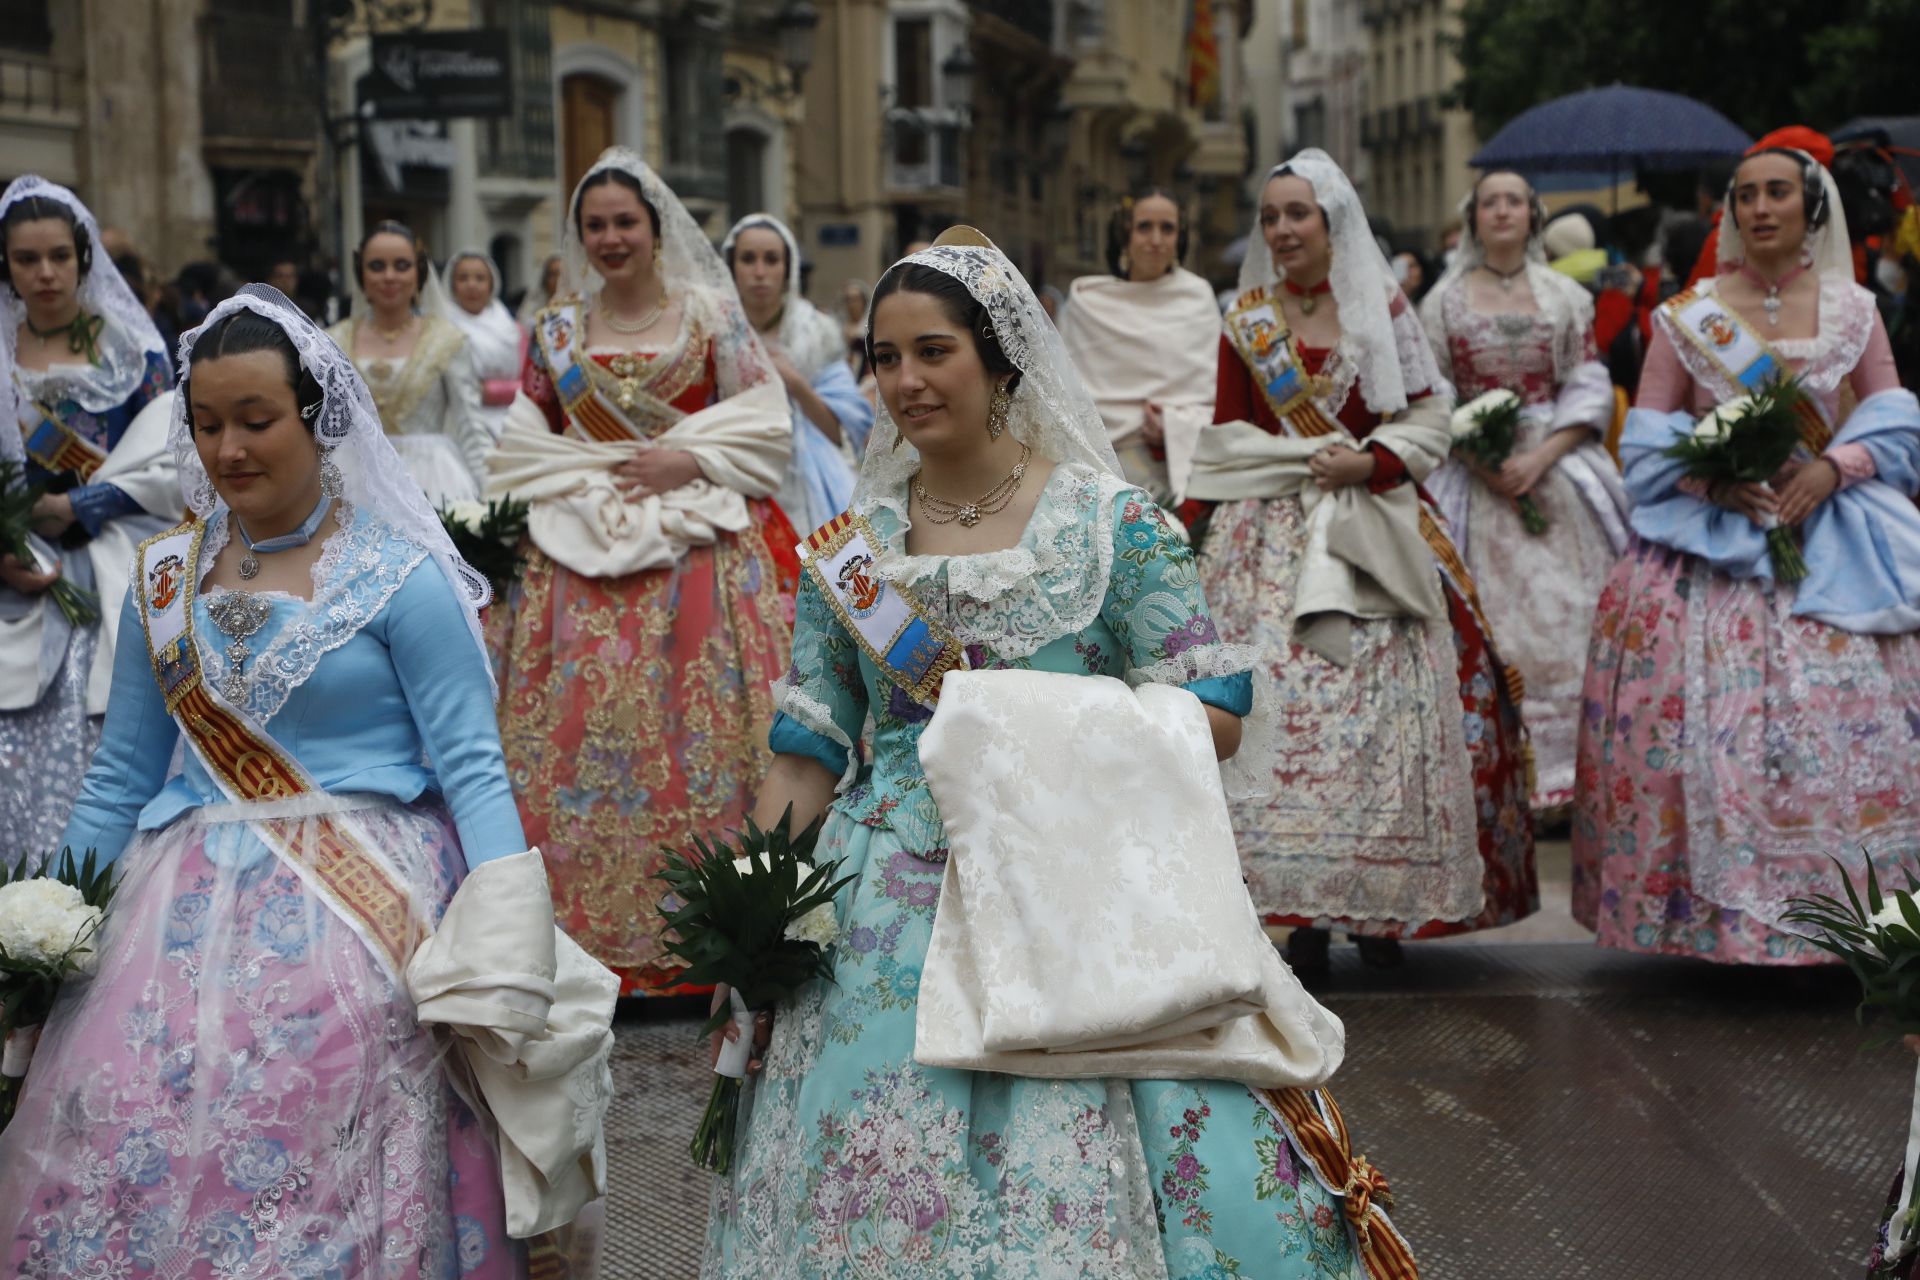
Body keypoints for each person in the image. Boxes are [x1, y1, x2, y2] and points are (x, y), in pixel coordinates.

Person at [703, 227, 1413, 1280]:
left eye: (933, 350)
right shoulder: (855, 550)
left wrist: (1022, 728)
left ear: (1000, 358)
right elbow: (809, 750)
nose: (905, 380)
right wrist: (750, 913)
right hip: (882, 901)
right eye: (885, 357)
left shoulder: (1109, 525)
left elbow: (1214, 705)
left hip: (1075, 891)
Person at [0, 284, 615, 1277]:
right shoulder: (163, 579)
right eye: (206, 425)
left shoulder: (402, 575)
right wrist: (52, 923)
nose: (229, 449)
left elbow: (470, 762)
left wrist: (511, 949)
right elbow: (120, 771)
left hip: (367, 916)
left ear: (316, 419)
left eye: (256, 421)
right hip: (170, 920)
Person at [1183, 150, 1536, 974]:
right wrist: (1183, 528)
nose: (1281, 230)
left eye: (1296, 214)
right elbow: (1228, 437)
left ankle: (1380, 914)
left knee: (1387, 718)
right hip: (1263, 538)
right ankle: (1300, 918)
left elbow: (1427, 413)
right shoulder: (1250, 321)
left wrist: (1369, 463)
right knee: (1275, 718)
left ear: (1332, 221)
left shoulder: (1381, 307)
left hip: (1372, 529)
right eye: (1270, 217)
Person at [1574, 146, 1920, 964]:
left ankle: (1849, 924)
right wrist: (1716, 483)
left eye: (1778, 194)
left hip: (1836, 535)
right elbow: (1647, 438)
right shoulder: (1688, 314)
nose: (1761, 208)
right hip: (1712, 546)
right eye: (1747, 195)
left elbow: (1896, 415)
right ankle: (1717, 923)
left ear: (1812, 210)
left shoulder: (1854, 309)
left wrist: (1838, 466)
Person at [487, 147, 796, 996]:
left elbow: (764, 424)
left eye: (626, 222)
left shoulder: (709, 315)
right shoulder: (556, 331)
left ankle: (711, 934)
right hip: (575, 555)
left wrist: (688, 461)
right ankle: (578, 945)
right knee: (576, 740)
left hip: (691, 558)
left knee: (700, 736)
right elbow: (524, 441)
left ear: (657, 230)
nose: (612, 237)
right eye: (597, 225)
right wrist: (589, 471)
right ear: (580, 236)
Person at [1420, 171, 1630, 816]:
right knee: (1489, 616)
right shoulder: (1443, 301)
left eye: (1514, 201)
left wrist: (1541, 455)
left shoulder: (1565, 295)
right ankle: (1500, 775)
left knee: (1574, 611)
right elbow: (1432, 391)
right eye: (1491, 202)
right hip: (1471, 475)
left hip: (1554, 462)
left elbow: (1588, 381)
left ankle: (1577, 775)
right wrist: (1478, 457)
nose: (1503, 211)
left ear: (1532, 216)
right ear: (1474, 218)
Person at [0, 176, 179, 855]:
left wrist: (80, 502)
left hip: (121, 564)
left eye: (58, 257)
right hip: (17, 582)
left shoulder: (134, 353)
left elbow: (179, 459)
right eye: (26, 260)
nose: (45, 274)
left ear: (82, 258)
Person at [1059, 187, 1221, 505]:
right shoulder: (1086, 303)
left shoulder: (1198, 297)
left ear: (1180, 238)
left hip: (1184, 472)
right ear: (1125, 234)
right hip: (1098, 472)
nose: (1156, 240)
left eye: (1168, 228)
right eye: (1144, 227)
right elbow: (1063, 396)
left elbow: (1219, 396)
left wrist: (1175, 427)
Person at [722, 213, 872, 533]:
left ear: (787, 268)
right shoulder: (711, 330)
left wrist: (793, 381)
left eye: (771, 260)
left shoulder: (817, 331)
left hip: (807, 479)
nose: (760, 272)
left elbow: (841, 432)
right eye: (748, 259)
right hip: (728, 474)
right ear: (731, 265)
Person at [327, 222, 489, 505]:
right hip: (355, 481)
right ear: (361, 276)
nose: (389, 276)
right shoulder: (334, 341)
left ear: (419, 274)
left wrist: (492, 496)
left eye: (402, 265)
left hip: (435, 482)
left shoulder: (446, 340)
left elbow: (470, 425)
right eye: (377, 266)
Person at [445, 248, 525, 444]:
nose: (471, 285)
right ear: (452, 285)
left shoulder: (512, 328)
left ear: (492, 284)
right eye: (463, 278)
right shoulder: (443, 326)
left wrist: (491, 391)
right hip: (461, 421)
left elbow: (529, 380)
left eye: (480, 278)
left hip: (515, 418)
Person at [516, 252, 563, 332]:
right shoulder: (533, 304)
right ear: (545, 279)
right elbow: (523, 325)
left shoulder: (579, 303)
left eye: (561, 274)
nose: (557, 279)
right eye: (552, 274)